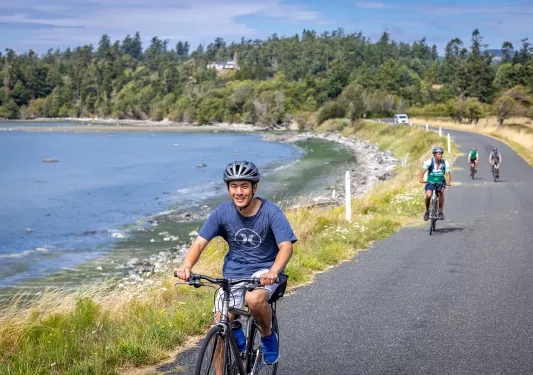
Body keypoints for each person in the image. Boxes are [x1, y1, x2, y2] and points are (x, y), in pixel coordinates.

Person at [175, 161, 296, 365]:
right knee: (220, 326)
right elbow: (199, 243)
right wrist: (187, 265)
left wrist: (274, 271)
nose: (239, 192)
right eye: (234, 186)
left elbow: (286, 247)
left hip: (264, 271)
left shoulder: (271, 212)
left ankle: (267, 335)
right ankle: (232, 336)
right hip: (232, 274)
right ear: (228, 188)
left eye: (244, 186)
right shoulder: (222, 212)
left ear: (254, 188)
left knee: (254, 300)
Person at [419, 146, 451, 221]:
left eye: (441, 154)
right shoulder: (429, 162)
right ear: (434, 154)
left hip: (441, 181)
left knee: (440, 194)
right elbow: (422, 172)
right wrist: (421, 179)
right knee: (428, 195)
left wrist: (448, 182)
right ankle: (427, 211)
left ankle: (440, 212)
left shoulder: (445, 162)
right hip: (431, 181)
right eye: (438, 154)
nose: (440, 156)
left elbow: (448, 174)